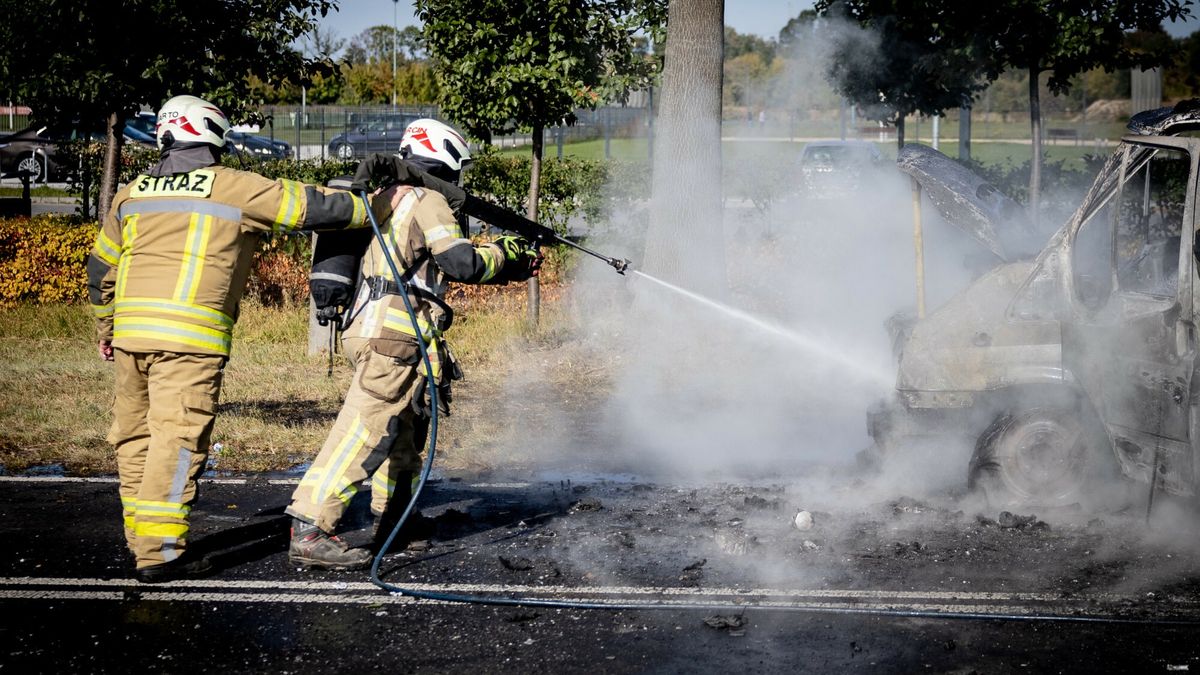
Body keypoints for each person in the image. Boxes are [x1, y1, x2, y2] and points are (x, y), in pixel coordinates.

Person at [87, 95, 372, 583]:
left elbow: (100, 269)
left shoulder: (132, 193)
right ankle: (160, 553)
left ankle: (144, 539)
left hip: (132, 337)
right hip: (189, 341)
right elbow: (314, 208)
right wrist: (375, 202)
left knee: (135, 437)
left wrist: (105, 327)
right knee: (177, 441)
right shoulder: (233, 187)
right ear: (215, 136)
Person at [284, 119, 540, 569]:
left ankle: (396, 519)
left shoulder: (392, 196)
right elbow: (460, 262)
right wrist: (507, 255)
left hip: (381, 329)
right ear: (447, 160)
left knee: (403, 432)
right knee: (363, 430)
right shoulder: (428, 198)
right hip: (394, 335)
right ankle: (309, 525)